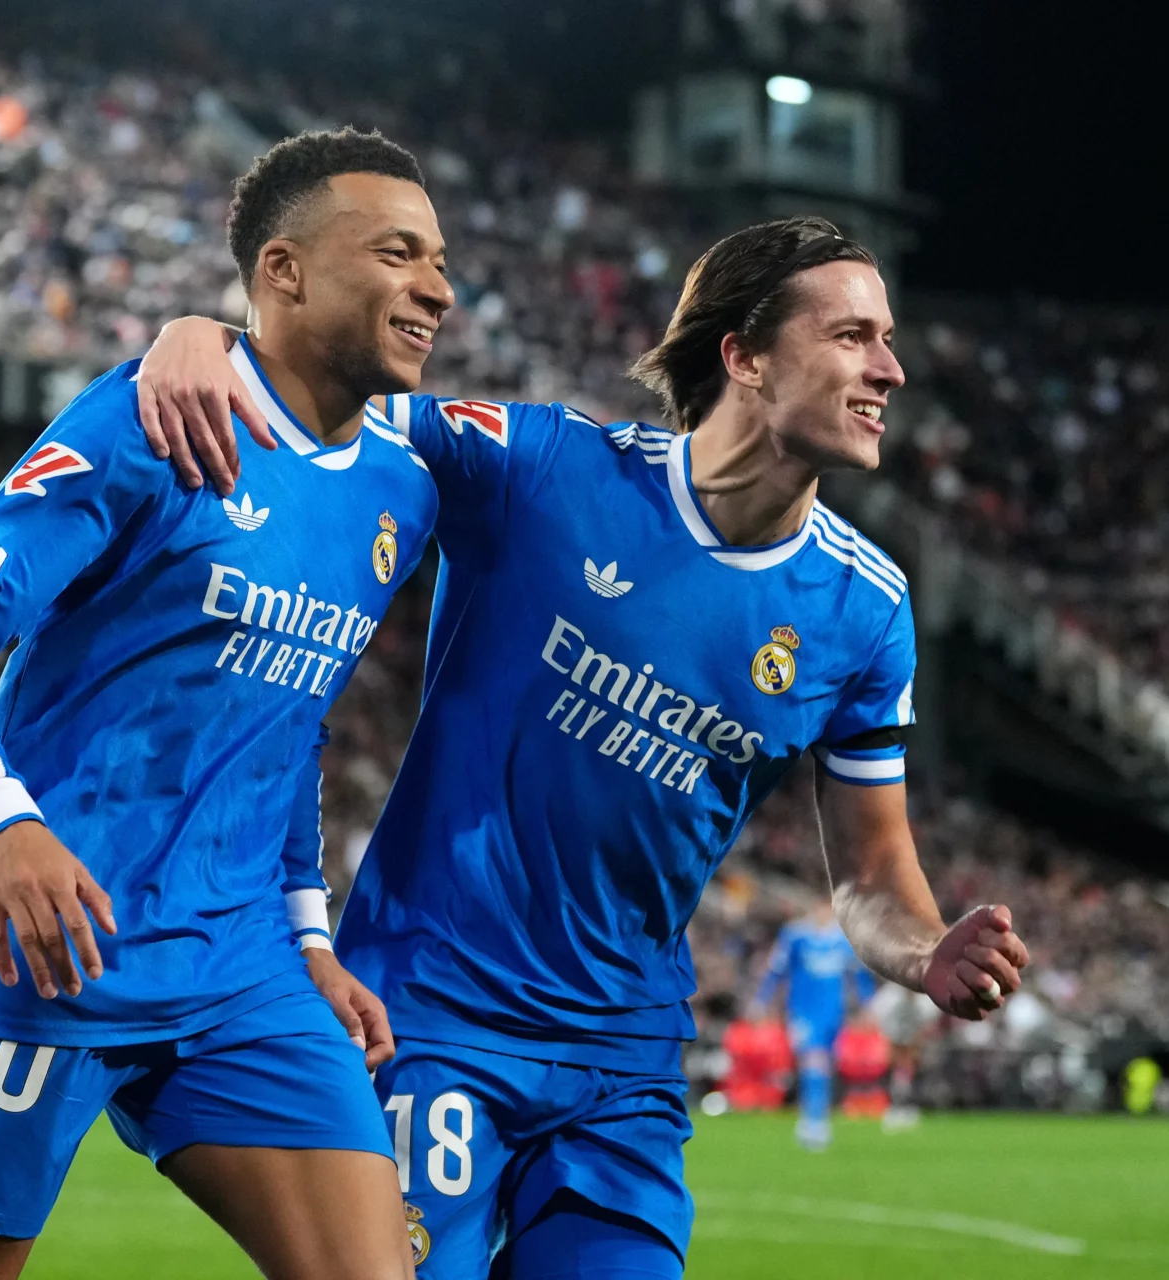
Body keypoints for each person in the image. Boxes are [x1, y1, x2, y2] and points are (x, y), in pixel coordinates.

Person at [136, 213, 1031, 1278]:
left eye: (887, 338)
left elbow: (875, 871)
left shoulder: (866, 609)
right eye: (850, 336)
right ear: (743, 355)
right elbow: (320, 410)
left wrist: (926, 950)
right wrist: (206, 336)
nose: (888, 366)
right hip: (431, 1017)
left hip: (623, 1067)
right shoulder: (541, 469)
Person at [0, 128, 449, 1280]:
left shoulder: (403, 483)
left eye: (440, 259)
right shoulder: (152, 418)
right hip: (51, 940)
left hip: (243, 962)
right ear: (283, 270)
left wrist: (307, 933)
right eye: (398, 253)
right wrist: (2, 823)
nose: (437, 286)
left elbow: (290, 721)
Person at [749, 903, 875, 1151]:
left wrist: (866, 1004)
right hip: (803, 1012)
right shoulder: (795, 936)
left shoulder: (842, 940)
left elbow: (858, 975)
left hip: (833, 1013)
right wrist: (762, 1000)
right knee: (813, 1061)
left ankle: (816, 1118)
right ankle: (814, 1121)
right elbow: (777, 970)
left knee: (823, 1064)